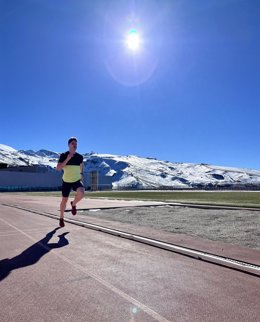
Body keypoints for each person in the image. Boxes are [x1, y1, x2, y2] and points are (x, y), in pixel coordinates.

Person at [56, 137, 85, 227]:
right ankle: (61, 218)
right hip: (66, 181)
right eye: (73, 143)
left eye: (76, 143)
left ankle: (74, 204)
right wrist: (67, 159)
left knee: (81, 193)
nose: (75, 144)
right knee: (64, 201)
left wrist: (81, 174)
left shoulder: (80, 157)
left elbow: (81, 165)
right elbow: (58, 168)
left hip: (76, 180)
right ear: (68, 145)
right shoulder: (63, 155)